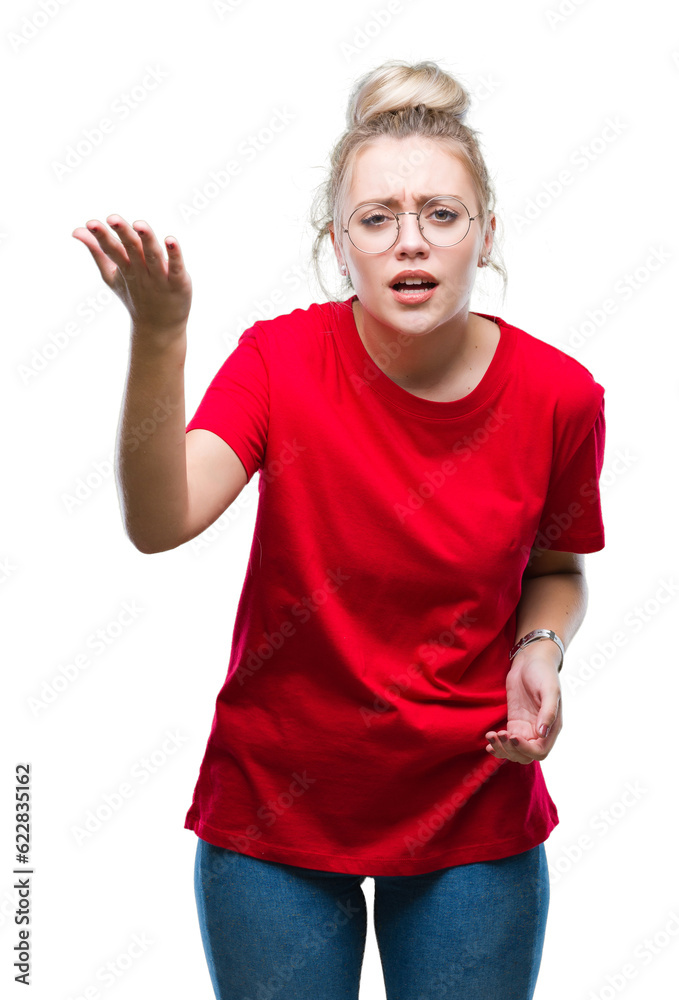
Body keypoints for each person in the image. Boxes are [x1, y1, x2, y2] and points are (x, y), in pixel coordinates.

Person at [72, 58, 606, 1000]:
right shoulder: (278, 361)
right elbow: (161, 521)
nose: (411, 242)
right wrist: (159, 337)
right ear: (337, 243)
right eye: (377, 218)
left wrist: (540, 648)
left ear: (486, 234)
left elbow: (555, 569)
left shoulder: (560, 396)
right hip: (273, 817)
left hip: (472, 810)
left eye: (441, 214)